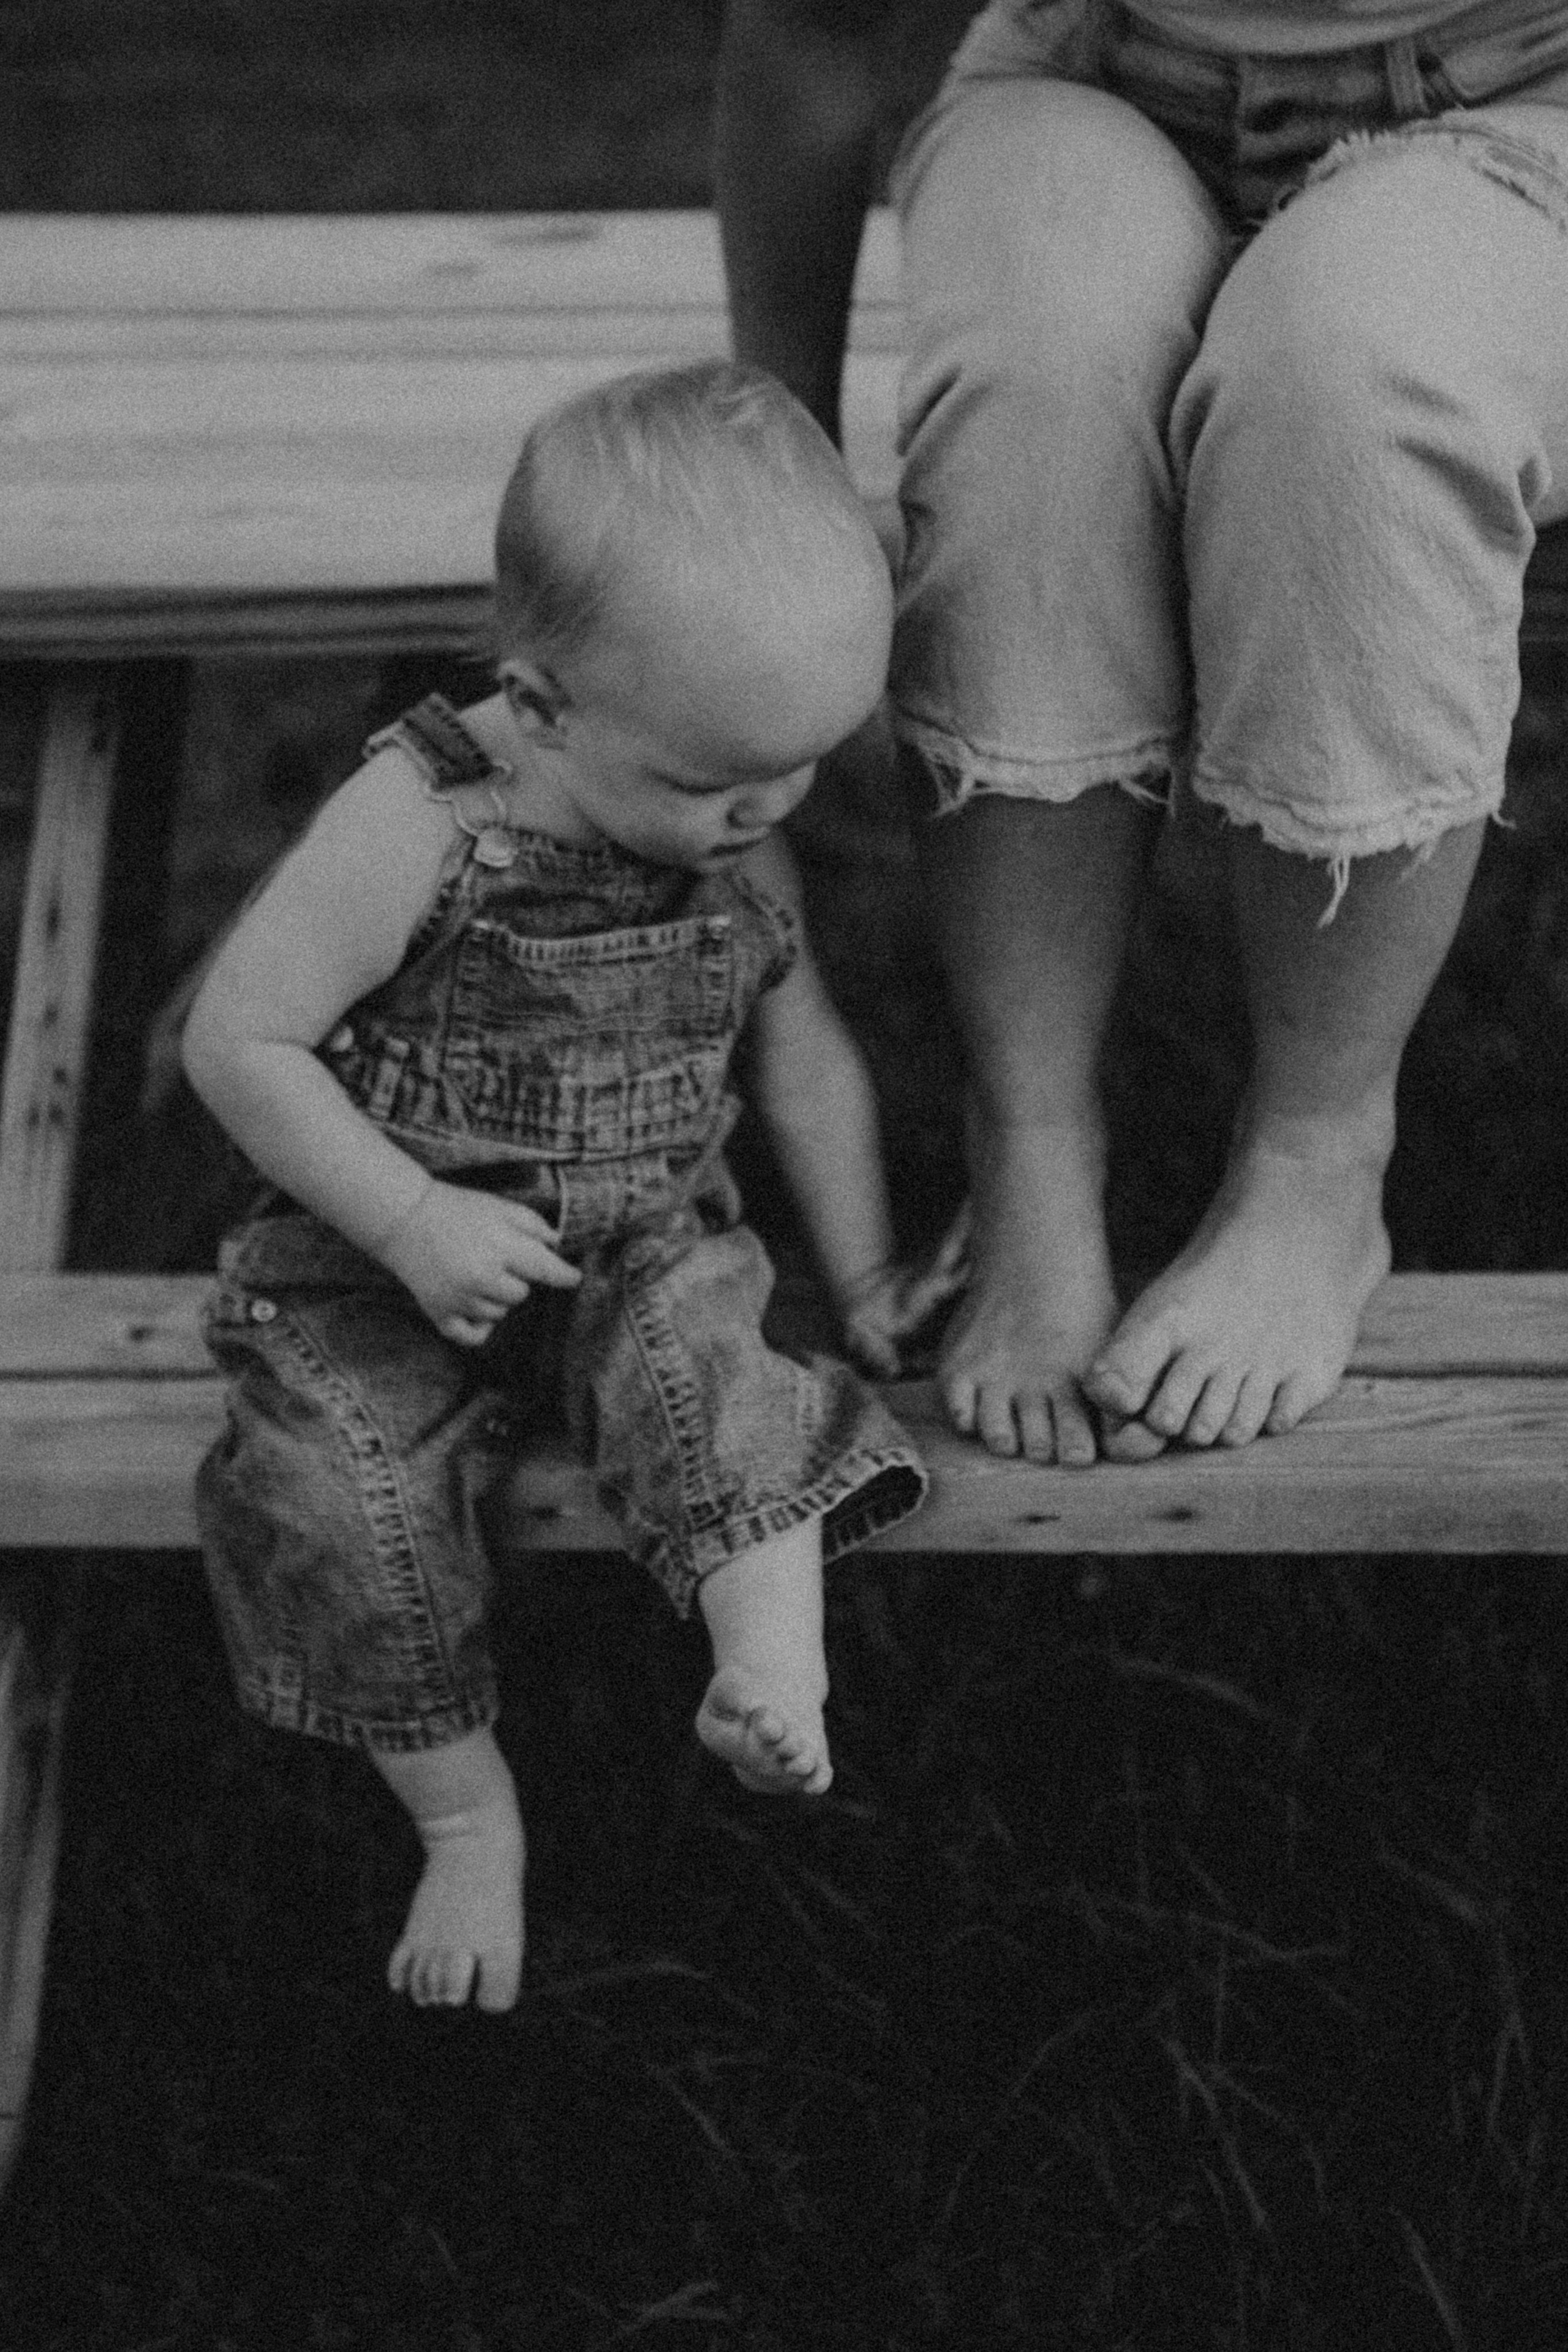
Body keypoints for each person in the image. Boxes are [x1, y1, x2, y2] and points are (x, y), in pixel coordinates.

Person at [182, 361, 954, 2013]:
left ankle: (771, 1670)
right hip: (374, 1260)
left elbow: (805, 1058)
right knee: (330, 1493)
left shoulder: (726, 805)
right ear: (539, 708)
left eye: (801, 767)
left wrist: (868, 1279)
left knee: (733, 1389)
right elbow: (238, 1042)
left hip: (640, 1236)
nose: (761, 812)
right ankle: (467, 1819)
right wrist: (409, 1220)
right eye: (714, 780)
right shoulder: (416, 820)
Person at [716, 0, 1568, 1464]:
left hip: (1525, 94)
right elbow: (805, 21)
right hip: (1091, 70)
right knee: (1038, 381)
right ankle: (1029, 1142)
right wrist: (774, 442)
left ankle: (1314, 1157)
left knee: (1345, 379)